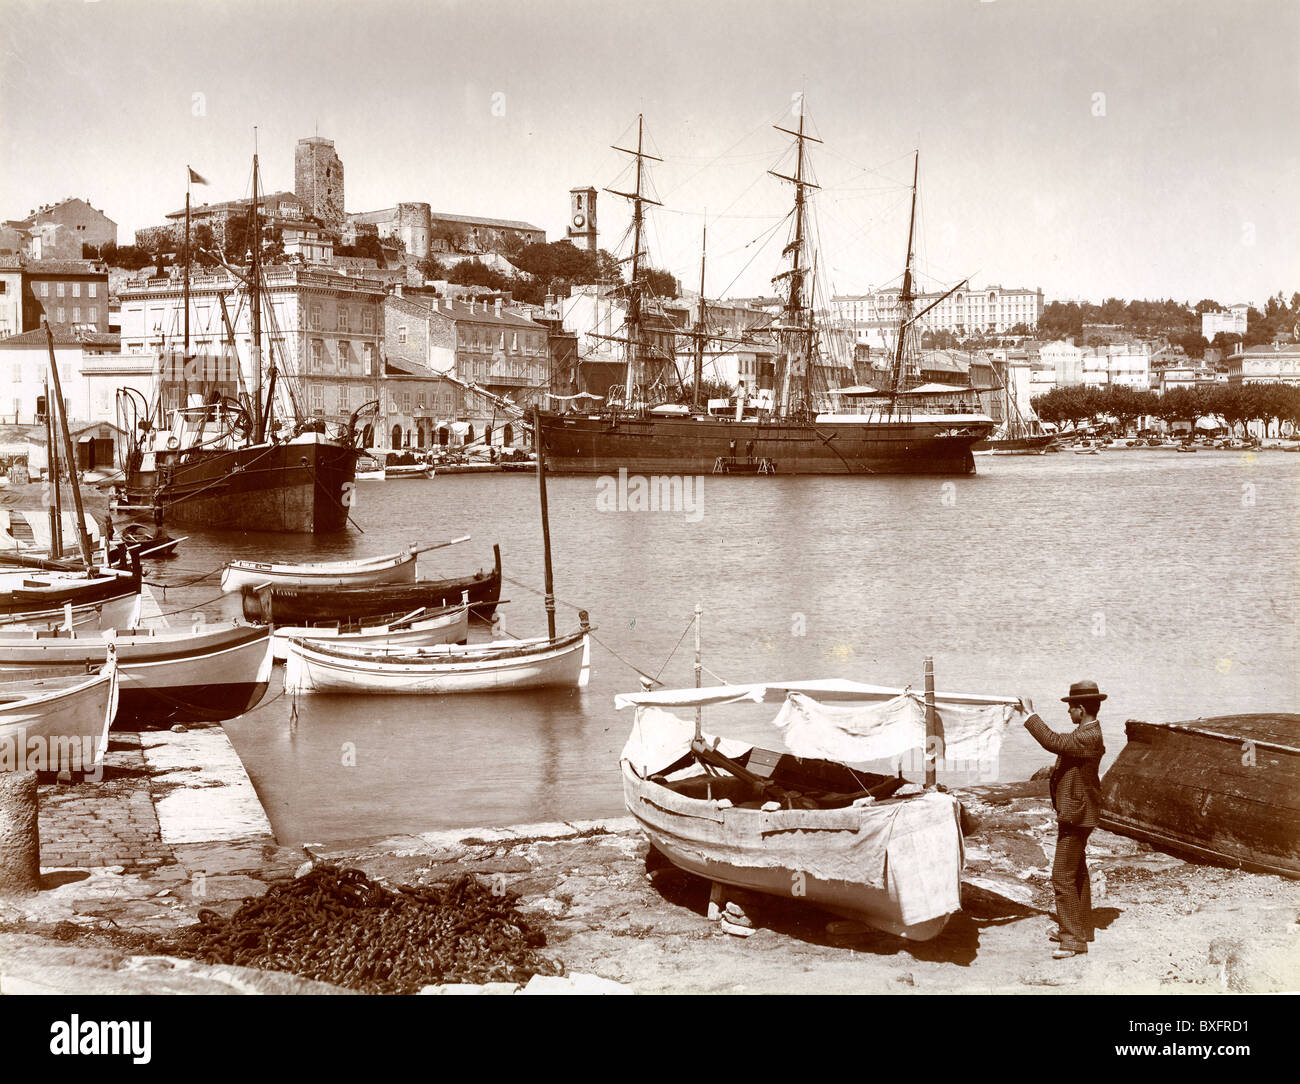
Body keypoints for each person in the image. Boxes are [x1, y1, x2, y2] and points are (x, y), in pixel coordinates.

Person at [1018, 680, 1106, 959]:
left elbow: (1052, 741)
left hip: (1077, 816)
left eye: (1070, 707)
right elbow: (1061, 746)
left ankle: (1073, 941)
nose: (1068, 711)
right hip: (1080, 812)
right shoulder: (1086, 733)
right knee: (1076, 872)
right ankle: (1081, 929)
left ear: (1081, 709)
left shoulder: (1088, 737)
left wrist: (1030, 715)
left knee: (1062, 875)